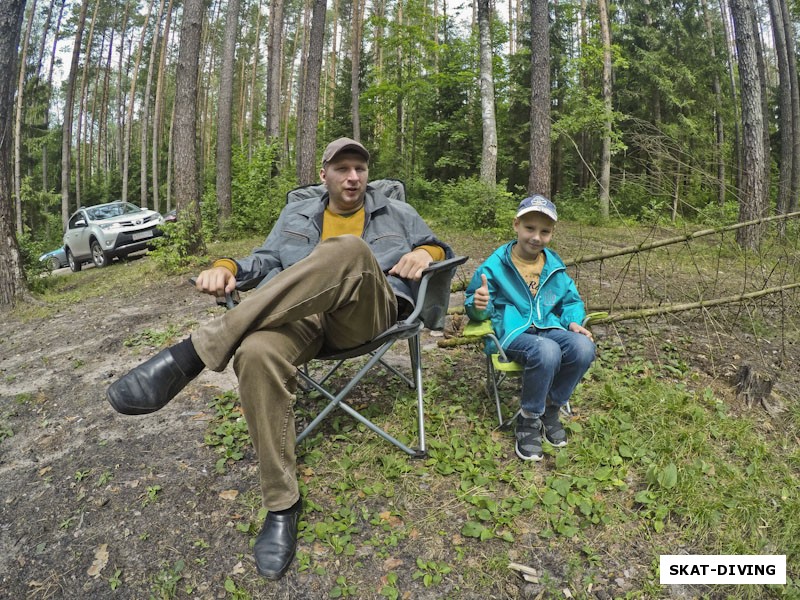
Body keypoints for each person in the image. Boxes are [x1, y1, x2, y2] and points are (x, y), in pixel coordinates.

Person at [107, 137, 452, 580]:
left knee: (347, 250)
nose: (353, 177)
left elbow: (437, 246)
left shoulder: (393, 210)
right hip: (303, 318)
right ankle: (282, 504)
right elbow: (266, 259)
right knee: (254, 350)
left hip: (367, 314)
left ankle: (192, 352)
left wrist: (424, 252)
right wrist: (227, 266)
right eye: (343, 169)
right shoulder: (297, 214)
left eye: (360, 169)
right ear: (323, 174)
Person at [464, 195, 595, 462]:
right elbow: (477, 307)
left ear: (551, 234)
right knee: (547, 351)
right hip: (512, 334)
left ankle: (551, 407)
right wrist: (479, 305)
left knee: (583, 347)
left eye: (544, 231)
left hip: (548, 326)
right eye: (530, 228)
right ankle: (529, 418)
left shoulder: (554, 267)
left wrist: (571, 321)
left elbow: (571, 301)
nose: (536, 237)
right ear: (516, 225)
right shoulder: (495, 265)